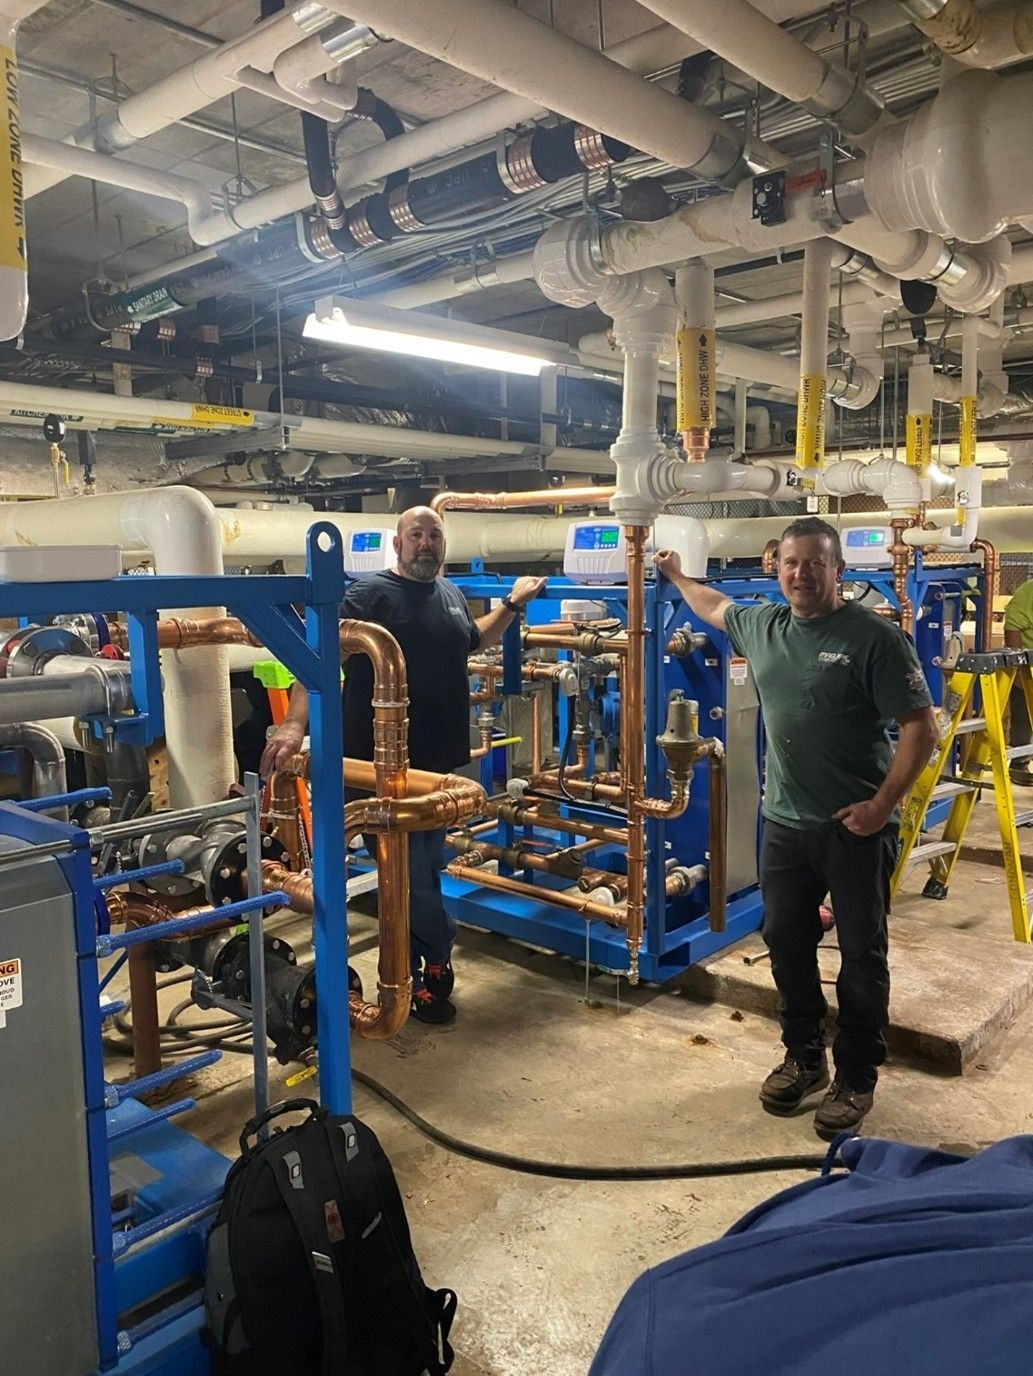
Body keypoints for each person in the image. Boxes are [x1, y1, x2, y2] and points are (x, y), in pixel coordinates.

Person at [654, 517, 938, 1139]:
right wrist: (677, 576)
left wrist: (882, 807)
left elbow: (921, 728)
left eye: (815, 563)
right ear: (774, 568)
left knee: (862, 952)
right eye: (790, 563)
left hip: (854, 827)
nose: (801, 574)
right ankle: (804, 1055)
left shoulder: (873, 638)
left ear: (840, 571)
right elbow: (715, 606)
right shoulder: (764, 625)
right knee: (785, 940)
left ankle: (857, 1074)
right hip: (783, 823)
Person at [260, 506, 546, 1024]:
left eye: (434, 535)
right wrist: (292, 725)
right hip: (379, 769)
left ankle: (409, 970)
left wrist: (509, 604)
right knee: (410, 878)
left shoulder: (452, 593)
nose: (426, 544)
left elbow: (470, 639)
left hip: (437, 769)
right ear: (398, 544)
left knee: (420, 873)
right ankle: (433, 963)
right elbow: (318, 659)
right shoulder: (369, 596)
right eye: (416, 535)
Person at [1004, 577, 1033, 787]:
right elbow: (1012, 627)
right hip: (1029, 669)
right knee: (1023, 716)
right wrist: (1017, 669)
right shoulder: (1027, 593)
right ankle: (1019, 763)